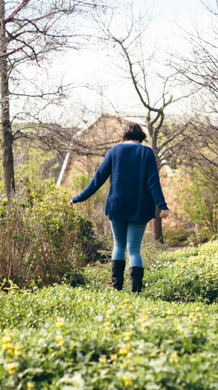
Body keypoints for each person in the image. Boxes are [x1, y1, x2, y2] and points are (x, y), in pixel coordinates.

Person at [68, 122, 170, 293]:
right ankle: (136, 290)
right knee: (134, 249)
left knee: (119, 245)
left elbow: (97, 180)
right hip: (139, 207)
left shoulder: (114, 151)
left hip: (117, 206)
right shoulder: (146, 152)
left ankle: (117, 288)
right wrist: (162, 205)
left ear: (124, 135)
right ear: (141, 136)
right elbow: (153, 182)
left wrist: (78, 198)